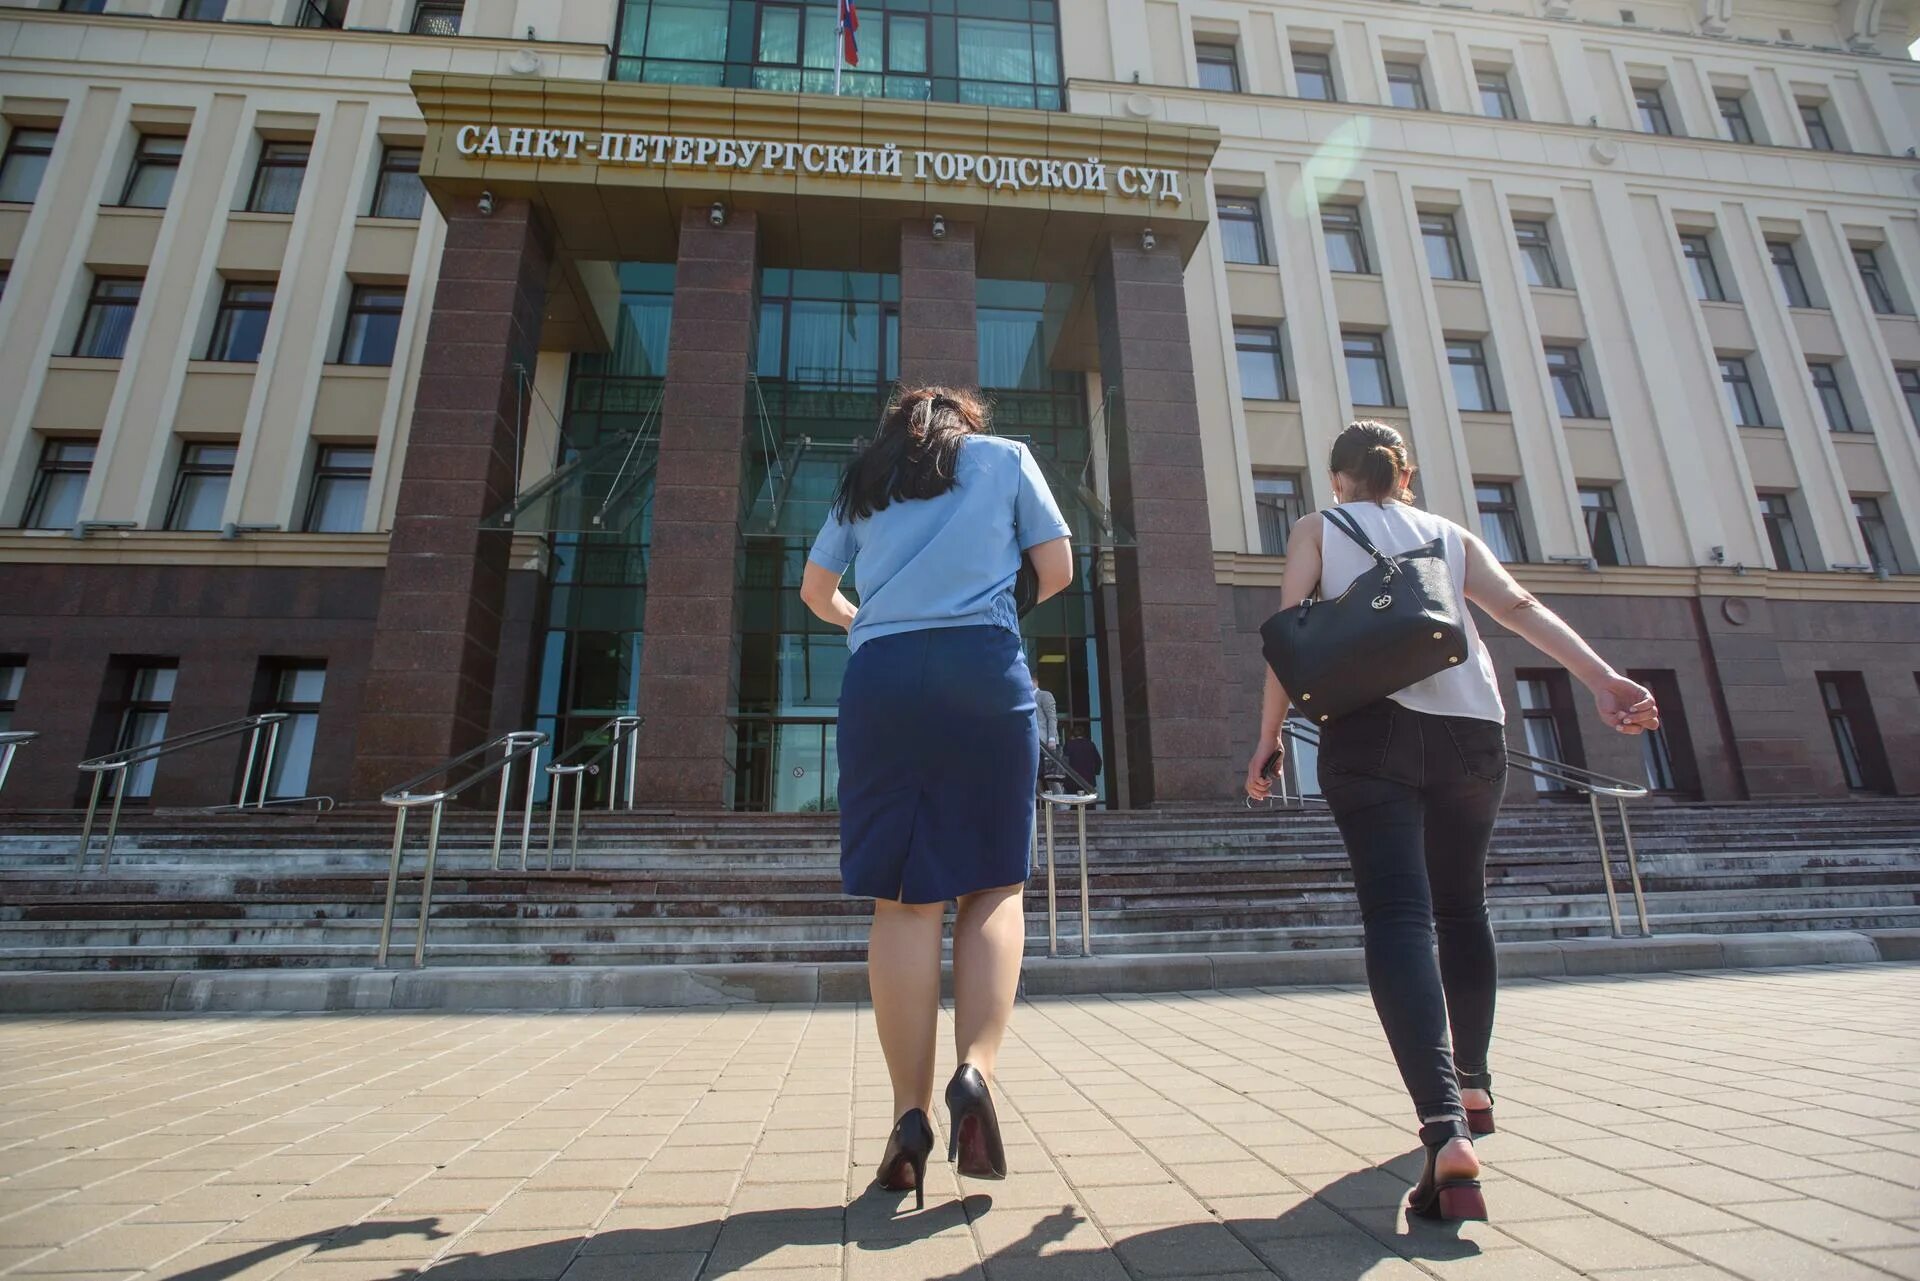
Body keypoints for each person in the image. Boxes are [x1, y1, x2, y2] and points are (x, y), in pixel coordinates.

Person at [1243, 421, 1658, 1224]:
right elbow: (1520, 607)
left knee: (1399, 914)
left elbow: (1287, 643)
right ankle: (1473, 1086)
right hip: (1475, 732)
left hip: (1369, 731)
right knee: (1463, 907)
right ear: (1405, 475)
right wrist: (1604, 680)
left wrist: (1268, 739)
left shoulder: (1317, 528)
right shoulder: (1449, 533)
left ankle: (1442, 1132)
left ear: (1338, 479)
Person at [801, 386, 1073, 1209]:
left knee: (903, 900)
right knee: (993, 883)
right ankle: (973, 1073)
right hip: (983, 666)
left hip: (883, 677)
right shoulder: (1007, 459)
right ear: (967, 423)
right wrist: (990, 600)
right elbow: (1057, 567)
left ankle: (908, 1122)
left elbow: (816, 589)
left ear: (894, 431)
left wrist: (869, 621)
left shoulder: (866, 478)